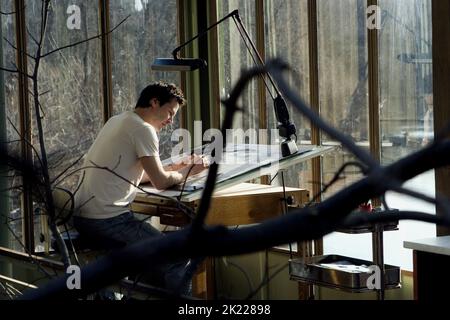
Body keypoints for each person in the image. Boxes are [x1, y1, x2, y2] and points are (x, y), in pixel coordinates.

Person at [73, 81, 207, 296]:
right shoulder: (143, 130)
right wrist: (190, 170)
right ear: (154, 102)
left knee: (150, 259)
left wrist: (174, 167)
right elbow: (160, 182)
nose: (171, 121)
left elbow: (139, 174)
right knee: (178, 258)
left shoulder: (118, 120)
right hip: (107, 221)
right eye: (170, 113)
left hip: (83, 216)